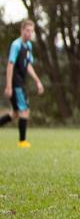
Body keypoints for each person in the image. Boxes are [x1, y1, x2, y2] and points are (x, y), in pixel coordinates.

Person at [3, 20, 45, 148]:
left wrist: (38, 81)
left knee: (15, 114)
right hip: (16, 83)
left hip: (21, 82)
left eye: (31, 31)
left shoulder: (28, 46)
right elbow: (10, 65)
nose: (29, 33)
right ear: (22, 30)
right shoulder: (16, 45)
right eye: (27, 30)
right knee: (24, 111)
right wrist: (9, 85)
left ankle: (22, 140)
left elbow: (28, 66)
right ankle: (22, 142)